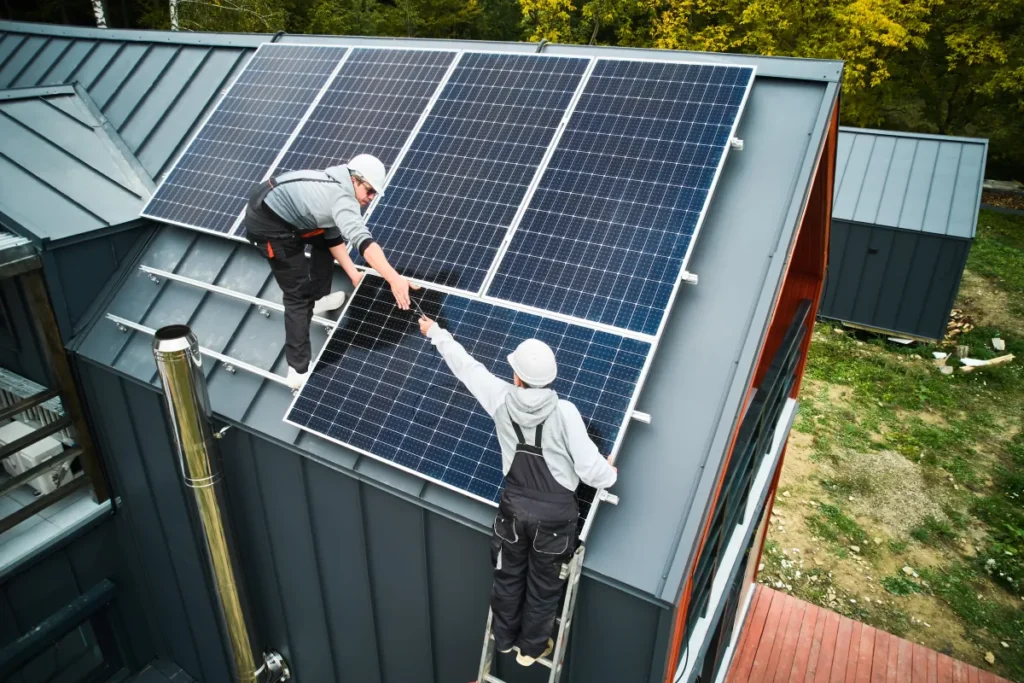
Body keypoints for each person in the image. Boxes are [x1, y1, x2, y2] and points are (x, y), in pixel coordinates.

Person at [418, 315, 617, 667]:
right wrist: (610, 474)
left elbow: (466, 367)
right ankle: (531, 650)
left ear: (517, 376)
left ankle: (506, 640)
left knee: (508, 577)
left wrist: (435, 332)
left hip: (512, 510)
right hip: (554, 519)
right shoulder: (566, 412)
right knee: (543, 588)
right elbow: (590, 470)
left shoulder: (499, 397)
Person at [243, 154, 416, 390]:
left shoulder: (339, 179)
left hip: (277, 203)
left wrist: (354, 274)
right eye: (369, 191)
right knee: (298, 296)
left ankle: (321, 297)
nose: (371, 198)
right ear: (356, 179)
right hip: (268, 225)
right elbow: (362, 241)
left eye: (375, 193)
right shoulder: (342, 198)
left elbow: (333, 235)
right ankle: (297, 369)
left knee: (326, 237)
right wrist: (394, 278)